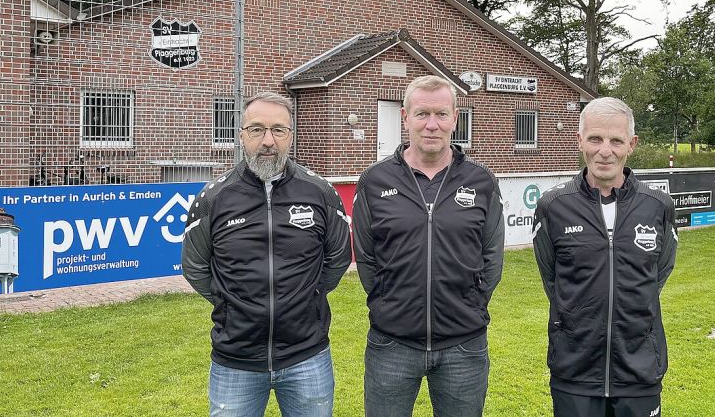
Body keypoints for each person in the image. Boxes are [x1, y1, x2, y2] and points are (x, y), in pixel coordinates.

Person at [182, 92, 352, 417]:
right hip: (236, 360)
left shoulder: (320, 193)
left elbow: (338, 258)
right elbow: (195, 266)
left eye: (278, 130)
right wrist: (230, 302)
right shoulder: (213, 198)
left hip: (307, 355)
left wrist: (311, 293)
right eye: (257, 129)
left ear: (291, 135)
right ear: (241, 134)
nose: (268, 141)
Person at [352, 75, 505, 417]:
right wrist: (384, 301)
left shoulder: (481, 180)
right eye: (422, 114)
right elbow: (365, 255)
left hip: (464, 344)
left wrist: (473, 301)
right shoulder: (375, 181)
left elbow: (492, 255)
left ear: (455, 117)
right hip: (392, 343)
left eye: (441, 114)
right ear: (405, 117)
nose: (431, 125)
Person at [532, 97, 677, 417]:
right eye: (595, 138)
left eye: (616, 140)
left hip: (639, 371)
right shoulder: (553, 206)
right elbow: (552, 278)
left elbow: (658, 272)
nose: (605, 150)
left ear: (632, 144)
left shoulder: (658, 205)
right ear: (580, 139)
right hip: (575, 372)